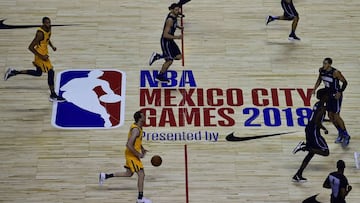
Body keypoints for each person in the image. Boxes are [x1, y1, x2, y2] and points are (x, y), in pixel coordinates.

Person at [3, 17, 65, 102]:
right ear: (43, 23)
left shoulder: (49, 28)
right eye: (46, 23)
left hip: (44, 53)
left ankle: (14, 72)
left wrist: (52, 46)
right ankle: (53, 95)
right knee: (51, 71)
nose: (48, 24)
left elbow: (47, 39)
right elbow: (30, 47)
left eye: (49, 22)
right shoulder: (40, 33)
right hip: (40, 55)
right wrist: (41, 56)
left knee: (38, 73)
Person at [99, 111, 151, 203]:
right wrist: (138, 154)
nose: (145, 117)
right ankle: (140, 199)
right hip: (132, 155)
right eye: (143, 116)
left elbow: (136, 141)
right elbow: (129, 145)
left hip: (130, 154)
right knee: (141, 174)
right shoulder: (136, 130)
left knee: (129, 173)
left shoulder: (138, 127)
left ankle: (105, 176)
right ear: (139, 118)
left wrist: (142, 148)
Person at [292, 88, 329, 183]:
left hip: (309, 129)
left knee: (311, 153)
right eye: (327, 95)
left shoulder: (317, 104)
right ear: (324, 96)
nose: (328, 96)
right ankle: (304, 147)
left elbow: (316, 117)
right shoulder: (322, 108)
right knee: (325, 152)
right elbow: (317, 121)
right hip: (314, 131)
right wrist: (324, 128)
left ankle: (298, 174)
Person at [312, 57, 350, 147]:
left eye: (325, 63)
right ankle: (340, 133)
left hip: (336, 95)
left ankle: (346, 135)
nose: (323, 65)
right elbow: (319, 80)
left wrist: (340, 92)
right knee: (330, 116)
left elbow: (345, 82)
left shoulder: (335, 72)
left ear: (329, 64)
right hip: (328, 95)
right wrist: (314, 89)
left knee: (336, 116)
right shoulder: (321, 70)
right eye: (323, 63)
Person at [148, 3, 183, 82]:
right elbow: (165, 35)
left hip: (170, 41)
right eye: (176, 10)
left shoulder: (174, 16)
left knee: (179, 56)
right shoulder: (169, 20)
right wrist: (177, 37)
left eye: (178, 9)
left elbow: (174, 23)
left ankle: (159, 56)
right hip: (166, 41)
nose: (178, 11)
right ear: (172, 10)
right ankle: (159, 76)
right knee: (169, 61)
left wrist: (179, 27)